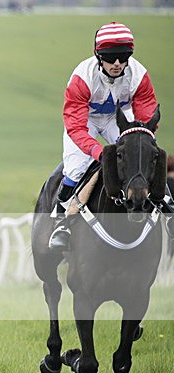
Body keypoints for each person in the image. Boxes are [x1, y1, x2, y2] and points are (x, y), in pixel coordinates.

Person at [49, 22, 159, 251]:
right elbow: (76, 126)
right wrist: (99, 152)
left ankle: (165, 208)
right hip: (84, 121)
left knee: (140, 156)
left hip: (116, 118)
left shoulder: (139, 75)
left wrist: (142, 140)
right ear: (99, 56)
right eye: (111, 58)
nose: (117, 64)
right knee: (76, 168)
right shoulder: (82, 77)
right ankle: (62, 222)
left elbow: (147, 117)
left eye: (123, 57)